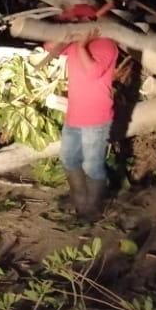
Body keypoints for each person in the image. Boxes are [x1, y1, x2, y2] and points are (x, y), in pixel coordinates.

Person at [44, 29, 119, 222]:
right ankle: (78, 199)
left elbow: (93, 72)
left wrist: (82, 45)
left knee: (92, 164)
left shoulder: (107, 44)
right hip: (74, 114)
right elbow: (49, 47)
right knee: (69, 158)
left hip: (96, 116)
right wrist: (67, 35)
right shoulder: (75, 43)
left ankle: (93, 209)